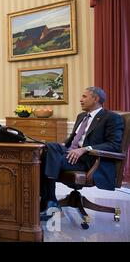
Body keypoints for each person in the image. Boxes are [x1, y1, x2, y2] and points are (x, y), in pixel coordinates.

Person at [39, 87, 124, 220]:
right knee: (46, 148)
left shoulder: (111, 118)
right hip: (70, 155)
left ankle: (49, 201)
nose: (80, 100)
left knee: (46, 159)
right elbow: (72, 140)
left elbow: (114, 145)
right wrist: (61, 146)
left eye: (84, 96)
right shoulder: (81, 116)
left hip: (89, 160)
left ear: (95, 99)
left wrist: (85, 149)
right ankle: (48, 201)